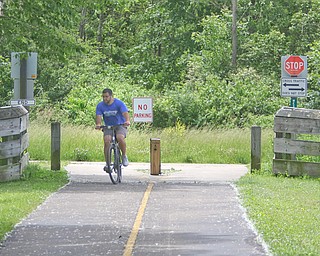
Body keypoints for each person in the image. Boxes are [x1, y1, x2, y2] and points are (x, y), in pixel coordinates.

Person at [95, 88, 130, 171]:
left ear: (111, 96)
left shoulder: (118, 103)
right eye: (103, 97)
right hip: (108, 126)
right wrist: (98, 125)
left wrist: (127, 121)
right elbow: (99, 117)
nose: (105, 99)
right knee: (107, 141)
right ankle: (107, 163)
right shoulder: (100, 105)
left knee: (120, 137)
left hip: (120, 125)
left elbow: (125, 113)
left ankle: (124, 155)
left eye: (106, 96)